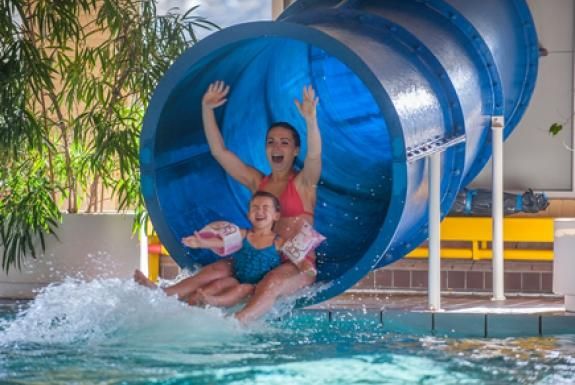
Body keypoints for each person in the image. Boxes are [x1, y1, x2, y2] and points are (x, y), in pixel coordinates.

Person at [135, 80, 322, 322]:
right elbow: (220, 153)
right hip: (258, 256)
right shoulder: (259, 182)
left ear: (296, 150)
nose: (276, 147)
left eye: (284, 143)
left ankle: (238, 323)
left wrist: (310, 119)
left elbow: (315, 155)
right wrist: (207, 109)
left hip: (296, 262)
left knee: (272, 282)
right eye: (271, 142)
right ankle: (162, 295)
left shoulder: (304, 183)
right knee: (216, 270)